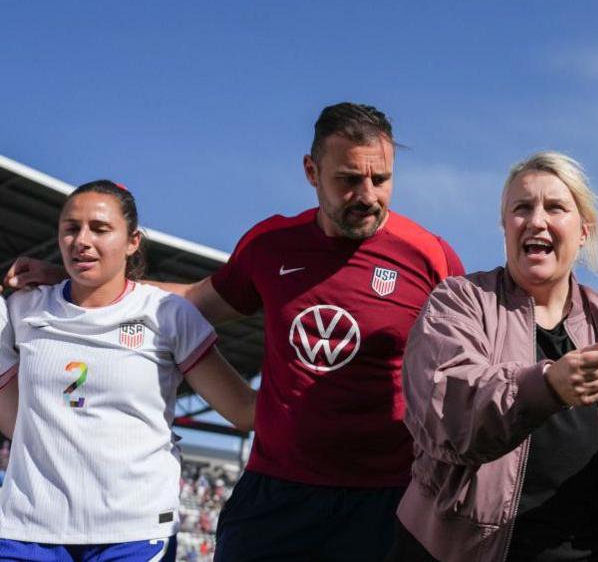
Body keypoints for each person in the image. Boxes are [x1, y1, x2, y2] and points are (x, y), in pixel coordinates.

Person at [4, 102, 465, 560]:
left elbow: (469, 368)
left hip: (385, 492)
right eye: (348, 179)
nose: (367, 194)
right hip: (278, 489)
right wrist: (87, 281)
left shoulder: (429, 257)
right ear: (312, 171)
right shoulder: (270, 245)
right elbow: (193, 300)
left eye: (380, 179)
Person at [387, 151, 598, 562]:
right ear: (504, 226)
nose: (536, 220)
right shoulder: (459, 303)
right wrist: (545, 386)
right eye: (522, 208)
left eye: (555, 207)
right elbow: (446, 414)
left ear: (583, 231)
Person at [0, 181, 256, 562]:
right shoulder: (20, 310)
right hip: (27, 530)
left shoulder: (167, 314)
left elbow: (244, 411)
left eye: (100, 229)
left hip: (133, 533)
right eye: (71, 228)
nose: (81, 240)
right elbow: (17, 421)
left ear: (132, 241)